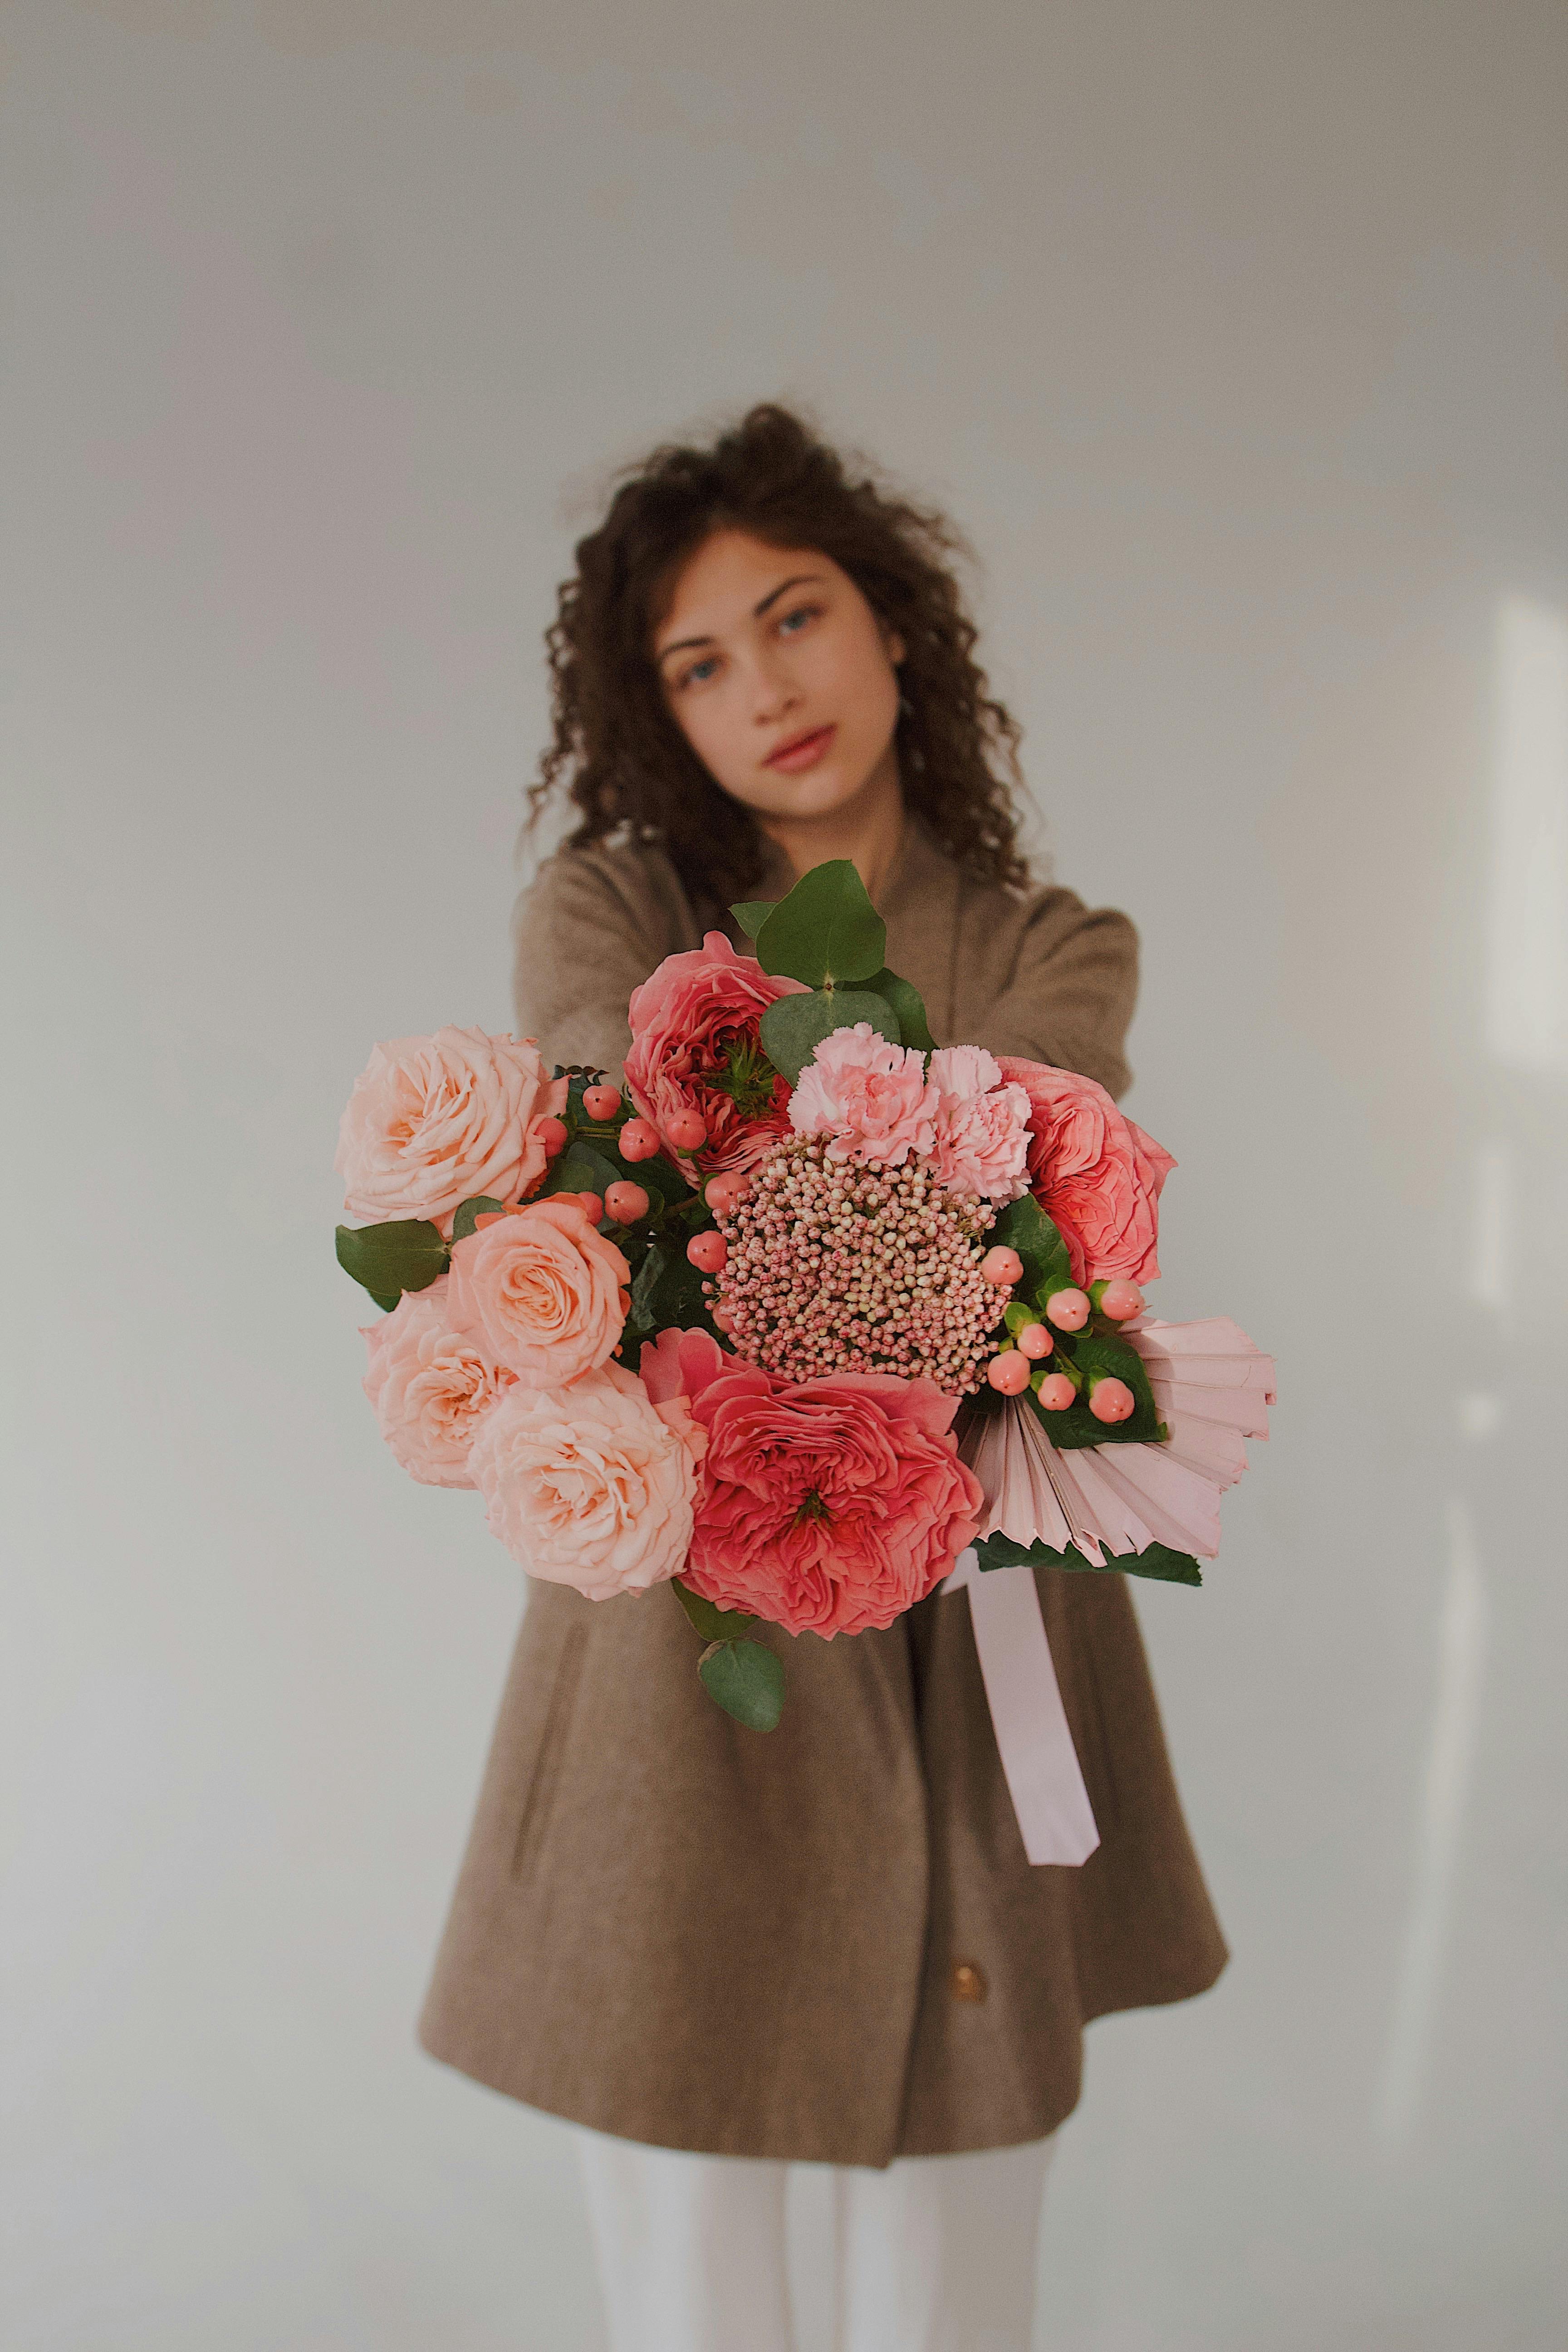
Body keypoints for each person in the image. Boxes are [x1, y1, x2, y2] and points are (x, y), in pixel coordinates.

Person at [417, 406, 1226, 2352]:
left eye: (795, 617)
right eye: (699, 662)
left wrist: (804, 1188)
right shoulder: (608, 914)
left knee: (958, 2286)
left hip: (975, 1645)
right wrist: (875, 1181)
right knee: (687, 2286)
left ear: (894, 626)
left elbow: (1018, 1174)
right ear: (652, 711)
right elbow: (646, 1157)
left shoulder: (1051, 943)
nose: (764, 688)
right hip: (677, 1677)